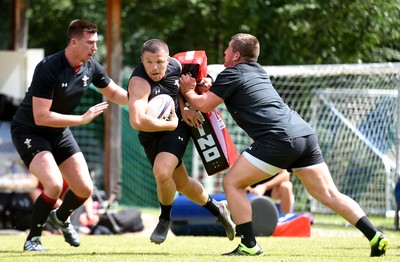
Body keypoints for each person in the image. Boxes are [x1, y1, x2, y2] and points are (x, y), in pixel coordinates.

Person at [179, 33, 389, 257]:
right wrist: (209, 85)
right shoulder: (258, 71)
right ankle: (374, 235)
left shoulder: (232, 73)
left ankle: (248, 245)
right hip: (304, 134)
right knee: (329, 193)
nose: (224, 53)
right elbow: (232, 89)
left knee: (232, 183)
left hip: (277, 138)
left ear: (236, 54)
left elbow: (203, 104)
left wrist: (187, 90)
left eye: (228, 50)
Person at [10, 19, 128, 252]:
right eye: (90, 42)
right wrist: (81, 119)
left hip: (58, 131)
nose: (94, 47)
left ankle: (60, 217)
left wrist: (143, 102)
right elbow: (41, 116)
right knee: (53, 185)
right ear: (74, 42)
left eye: (96, 42)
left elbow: (114, 92)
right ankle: (33, 239)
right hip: (30, 130)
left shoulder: (91, 66)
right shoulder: (48, 67)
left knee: (84, 189)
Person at [127, 39, 235, 245]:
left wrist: (185, 107)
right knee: (182, 183)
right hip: (151, 132)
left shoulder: (176, 66)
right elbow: (137, 121)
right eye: (148, 62)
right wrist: (169, 124)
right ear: (142, 60)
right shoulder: (138, 82)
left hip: (177, 127)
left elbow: (181, 87)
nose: (154, 67)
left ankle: (165, 219)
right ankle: (218, 209)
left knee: (161, 171)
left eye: (159, 61)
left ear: (168, 60)